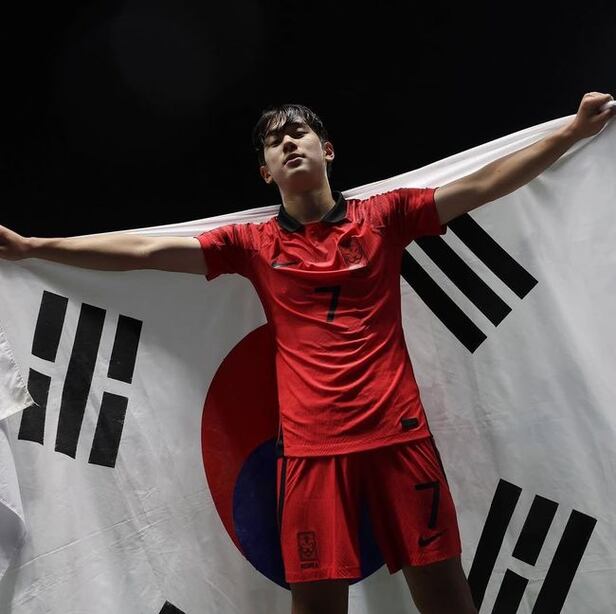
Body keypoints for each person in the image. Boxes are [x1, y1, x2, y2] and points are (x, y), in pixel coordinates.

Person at [0, 91, 614, 614]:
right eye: (275, 141)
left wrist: (572, 132)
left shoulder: (385, 217)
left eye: (299, 132)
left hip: (399, 441)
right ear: (266, 172)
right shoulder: (252, 244)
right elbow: (145, 252)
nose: (289, 142)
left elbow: (482, 184)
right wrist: (34, 248)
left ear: (328, 150)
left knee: (448, 603)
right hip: (311, 456)